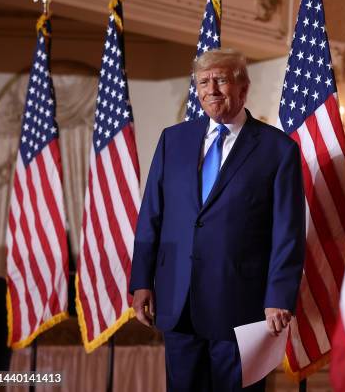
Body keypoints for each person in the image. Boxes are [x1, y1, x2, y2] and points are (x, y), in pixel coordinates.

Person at [129, 49, 306, 392]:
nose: (212, 89)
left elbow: (288, 231)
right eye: (203, 81)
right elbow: (152, 214)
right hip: (178, 302)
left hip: (242, 306)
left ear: (243, 88)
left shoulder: (278, 150)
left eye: (221, 80)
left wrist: (279, 297)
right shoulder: (173, 140)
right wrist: (142, 281)